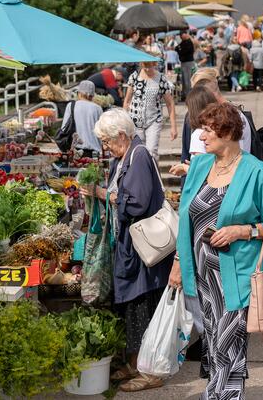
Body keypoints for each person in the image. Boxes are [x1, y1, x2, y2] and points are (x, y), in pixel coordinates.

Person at [169, 102, 263, 399]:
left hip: (235, 278)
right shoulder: (199, 166)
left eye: (208, 130)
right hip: (202, 277)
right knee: (213, 346)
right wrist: (179, 261)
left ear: (228, 132)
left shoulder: (256, 172)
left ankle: (223, 395)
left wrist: (242, 231)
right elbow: (186, 219)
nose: (202, 136)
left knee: (228, 346)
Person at [85, 109, 172, 392]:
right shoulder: (124, 157)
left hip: (143, 251)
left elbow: (136, 204)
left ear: (122, 135)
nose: (105, 147)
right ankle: (132, 364)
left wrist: (102, 194)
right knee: (131, 308)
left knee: (141, 307)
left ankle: (149, 371)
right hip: (130, 248)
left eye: (108, 141)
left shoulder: (139, 156)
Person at [123, 50, 178, 162]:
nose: (147, 69)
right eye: (145, 66)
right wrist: (124, 123)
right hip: (135, 121)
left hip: (153, 120)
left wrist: (173, 127)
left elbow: (170, 103)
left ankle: (153, 177)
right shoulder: (134, 77)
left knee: (152, 151)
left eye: (150, 65)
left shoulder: (161, 79)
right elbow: (127, 101)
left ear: (155, 64)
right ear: (141, 64)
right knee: (137, 151)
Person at [60, 80, 103, 154]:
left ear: (79, 93)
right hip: (94, 151)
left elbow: (63, 128)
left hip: (75, 150)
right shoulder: (98, 108)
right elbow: (102, 132)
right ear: (92, 95)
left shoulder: (71, 106)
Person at [177, 31, 197, 98]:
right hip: (183, 62)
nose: (180, 37)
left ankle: (188, 95)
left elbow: (185, 51)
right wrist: (180, 50)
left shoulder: (189, 42)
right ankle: (184, 94)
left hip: (188, 63)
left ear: (185, 35)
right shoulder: (183, 42)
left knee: (187, 79)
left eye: (181, 35)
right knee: (183, 80)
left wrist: (180, 50)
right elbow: (177, 48)